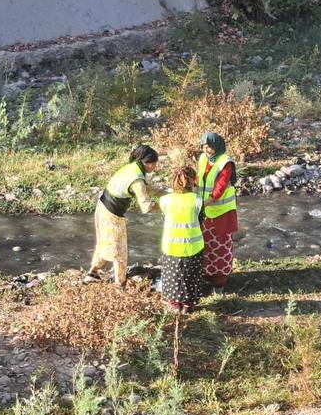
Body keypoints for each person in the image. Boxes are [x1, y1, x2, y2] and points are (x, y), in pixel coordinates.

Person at [88, 144, 159, 287]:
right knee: (119, 250)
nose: (155, 167)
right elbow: (146, 207)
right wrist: (168, 204)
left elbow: (147, 189)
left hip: (102, 206)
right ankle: (120, 284)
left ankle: (92, 273)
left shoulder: (132, 166)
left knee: (104, 242)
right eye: (154, 164)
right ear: (147, 163)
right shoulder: (137, 179)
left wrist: (164, 193)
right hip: (112, 213)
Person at [158, 165, 205, 312]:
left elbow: (164, 219)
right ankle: (188, 305)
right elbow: (201, 219)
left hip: (171, 246)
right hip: (193, 246)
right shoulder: (197, 199)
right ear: (192, 181)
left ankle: (174, 304)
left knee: (173, 277)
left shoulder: (165, 200)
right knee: (191, 277)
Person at [197, 132, 238, 289]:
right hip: (204, 212)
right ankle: (206, 274)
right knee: (204, 244)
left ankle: (219, 281)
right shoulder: (203, 159)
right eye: (204, 147)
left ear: (217, 146)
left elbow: (219, 188)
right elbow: (198, 179)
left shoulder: (225, 162)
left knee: (220, 246)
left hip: (221, 213)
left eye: (209, 147)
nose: (206, 150)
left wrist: (202, 203)